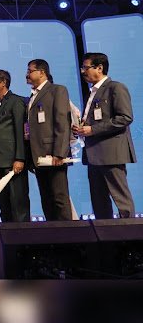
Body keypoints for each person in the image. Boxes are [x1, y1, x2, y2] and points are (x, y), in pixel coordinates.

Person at [73, 53, 136, 219]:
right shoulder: (91, 93)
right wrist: (81, 128)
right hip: (93, 154)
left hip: (111, 153)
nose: (83, 71)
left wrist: (92, 130)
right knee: (99, 200)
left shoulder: (116, 88)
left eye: (86, 67)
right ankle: (104, 233)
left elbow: (125, 118)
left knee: (121, 198)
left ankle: (130, 232)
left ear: (99, 68)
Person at [25, 59, 73, 221]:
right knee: (46, 199)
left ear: (42, 72)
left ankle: (68, 234)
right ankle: (52, 232)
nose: (27, 74)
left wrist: (59, 153)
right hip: (38, 156)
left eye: (30, 71)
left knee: (59, 197)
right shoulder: (32, 96)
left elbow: (62, 123)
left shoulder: (57, 90)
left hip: (53, 155)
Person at [0, 69, 30, 223]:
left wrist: (20, 158)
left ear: (3, 82)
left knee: (18, 203)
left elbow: (20, 131)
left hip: (13, 161)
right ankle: (7, 235)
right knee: (4, 204)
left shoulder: (15, 101)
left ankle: (23, 236)